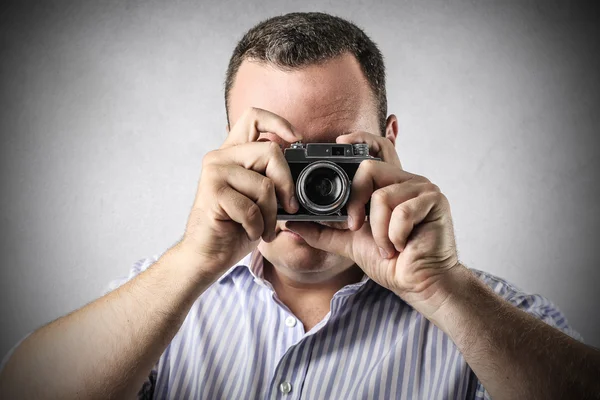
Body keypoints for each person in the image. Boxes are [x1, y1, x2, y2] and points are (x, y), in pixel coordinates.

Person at [1, 11, 599, 400]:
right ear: (230, 146)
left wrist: (443, 291)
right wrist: (194, 262)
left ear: (389, 142)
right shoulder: (165, 297)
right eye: (278, 153)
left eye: (333, 153)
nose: (308, 182)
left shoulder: (481, 313)